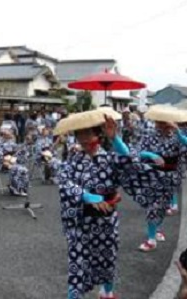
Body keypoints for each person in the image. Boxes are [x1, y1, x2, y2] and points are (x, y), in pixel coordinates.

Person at [56, 110, 170, 299]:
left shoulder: (110, 159)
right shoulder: (73, 160)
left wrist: (116, 139)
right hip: (80, 222)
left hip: (105, 222)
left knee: (107, 258)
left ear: (97, 134)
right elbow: (63, 181)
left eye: (88, 134)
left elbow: (133, 164)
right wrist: (85, 195)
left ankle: (107, 292)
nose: (84, 139)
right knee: (77, 265)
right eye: (79, 135)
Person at [135, 107, 187, 251]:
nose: (162, 125)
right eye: (160, 122)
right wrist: (151, 155)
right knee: (153, 206)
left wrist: (177, 132)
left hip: (171, 177)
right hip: (154, 176)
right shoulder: (150, 135)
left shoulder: (178, 136)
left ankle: (157, 229)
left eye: (165, 123)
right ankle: (151, 239)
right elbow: (138, 151)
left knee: (163, 207)